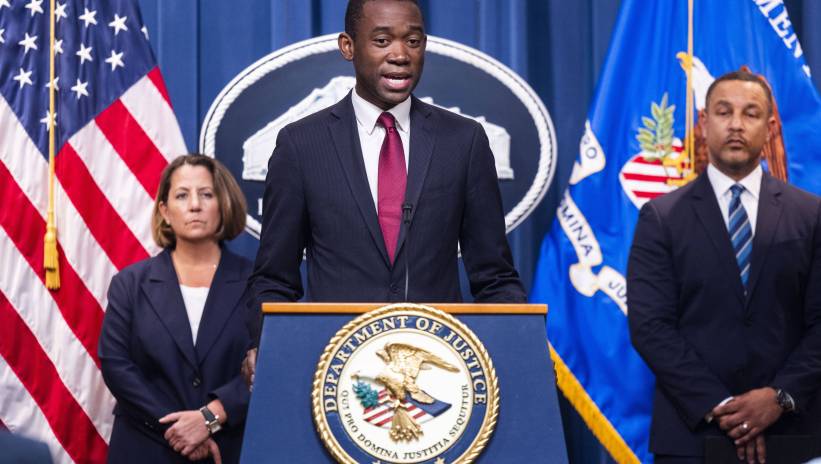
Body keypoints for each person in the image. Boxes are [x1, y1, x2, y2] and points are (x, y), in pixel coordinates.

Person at [243, 0, 526, 379]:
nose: (400, 55)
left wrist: (522, 347)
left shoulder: (463, 141)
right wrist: (269, 346)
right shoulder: (301, 145)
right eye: (381, 40)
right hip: (334, 372)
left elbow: (494, 277)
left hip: (439, 372)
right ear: (348, 46)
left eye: (413, 41)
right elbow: (274, 279)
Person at [627, 70, 821, 463]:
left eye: (750, 114)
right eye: (723, 112)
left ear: (769, 129)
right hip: (691, 436)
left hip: (793, 434)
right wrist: (725, 407)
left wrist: (778, 398)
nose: (735, 124)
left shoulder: (810, 214)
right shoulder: (661, 217)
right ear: (703, 122)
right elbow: (650, 327)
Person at [99, 155, 253, 463]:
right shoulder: (130, 283)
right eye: (182, 195)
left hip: (233, 446)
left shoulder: (257, 283)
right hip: (146, 445)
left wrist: (211, 416)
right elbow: (116, 365)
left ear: (223, 204)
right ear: (165, 211)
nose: (194, 205)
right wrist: (180, 429)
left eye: (206, 194)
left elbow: (270, 364)